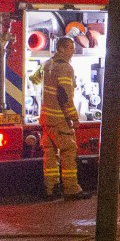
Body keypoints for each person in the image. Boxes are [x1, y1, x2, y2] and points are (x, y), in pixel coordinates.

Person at [36, 36, 85, 199]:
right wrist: (74, 117)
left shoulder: (47, 64)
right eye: (70, 47)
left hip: (46, 119)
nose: (73, 50)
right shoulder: (65, 68)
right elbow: (65, 96)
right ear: (61, 49)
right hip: (59, 120)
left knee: (50, 153)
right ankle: (72, 190)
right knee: (69, 151)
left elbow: (34, 79)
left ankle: (51, 188)